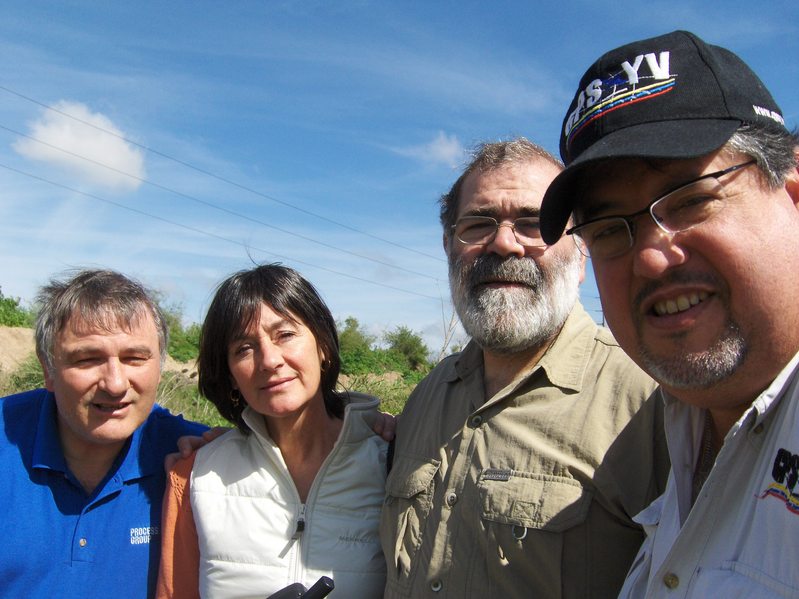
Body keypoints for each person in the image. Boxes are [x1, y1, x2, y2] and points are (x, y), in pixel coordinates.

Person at [540, 30, 799, 598]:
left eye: (689, 199)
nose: (652, 259)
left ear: (793, 194)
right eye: (610, 230)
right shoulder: (683, 426)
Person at [379, 138, 669, 598]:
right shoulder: (428, 395)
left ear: (582, 248)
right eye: (477, 224)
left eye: (534, 224)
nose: (502, 243)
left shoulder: (648, 401)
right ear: (447, 246)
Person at [156, 263, 388, 598]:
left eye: (286, 335)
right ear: (230, 375)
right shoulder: (194, 475)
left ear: (322, 345)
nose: (269, 360)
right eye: (244, 348)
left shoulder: (395, 466)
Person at [0, 269, 208, 598]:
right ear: (48, 369)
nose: (115, 383)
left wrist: (228, 457)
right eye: (87, 359)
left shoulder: (199, 461)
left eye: (135, 358)